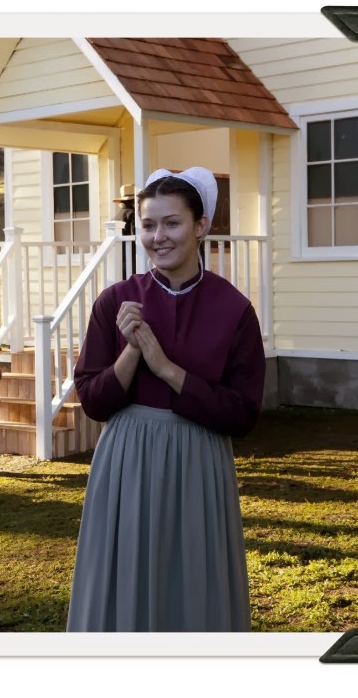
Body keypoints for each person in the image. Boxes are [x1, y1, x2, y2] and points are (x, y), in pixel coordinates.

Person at [66, 166, 265, 632]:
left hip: (198, 462)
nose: (158, 236)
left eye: (171, 223)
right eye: (149, 224)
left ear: (201, 226)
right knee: (124, 587)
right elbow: (92, 400)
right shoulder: (116, 301)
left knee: (192, 586)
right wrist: (132, 353)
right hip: (126, 465)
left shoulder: (234, 309)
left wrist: (168, 370)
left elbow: (242, 413)